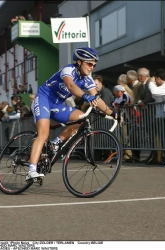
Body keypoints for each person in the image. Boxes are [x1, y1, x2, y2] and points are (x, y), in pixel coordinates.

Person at [27, 47, 117, 180]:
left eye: (94, 65)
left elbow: (98, 99)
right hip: (43, 99)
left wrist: (112, 113)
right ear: (80, 62)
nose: (92, 67)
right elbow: (71, 86)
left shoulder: (88, 79)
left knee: (81, 118)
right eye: (89, 64)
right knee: (44, 134)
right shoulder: (68, 70)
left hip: (57, 105)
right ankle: (31, 170)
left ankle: (56, 143)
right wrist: (86, 96)